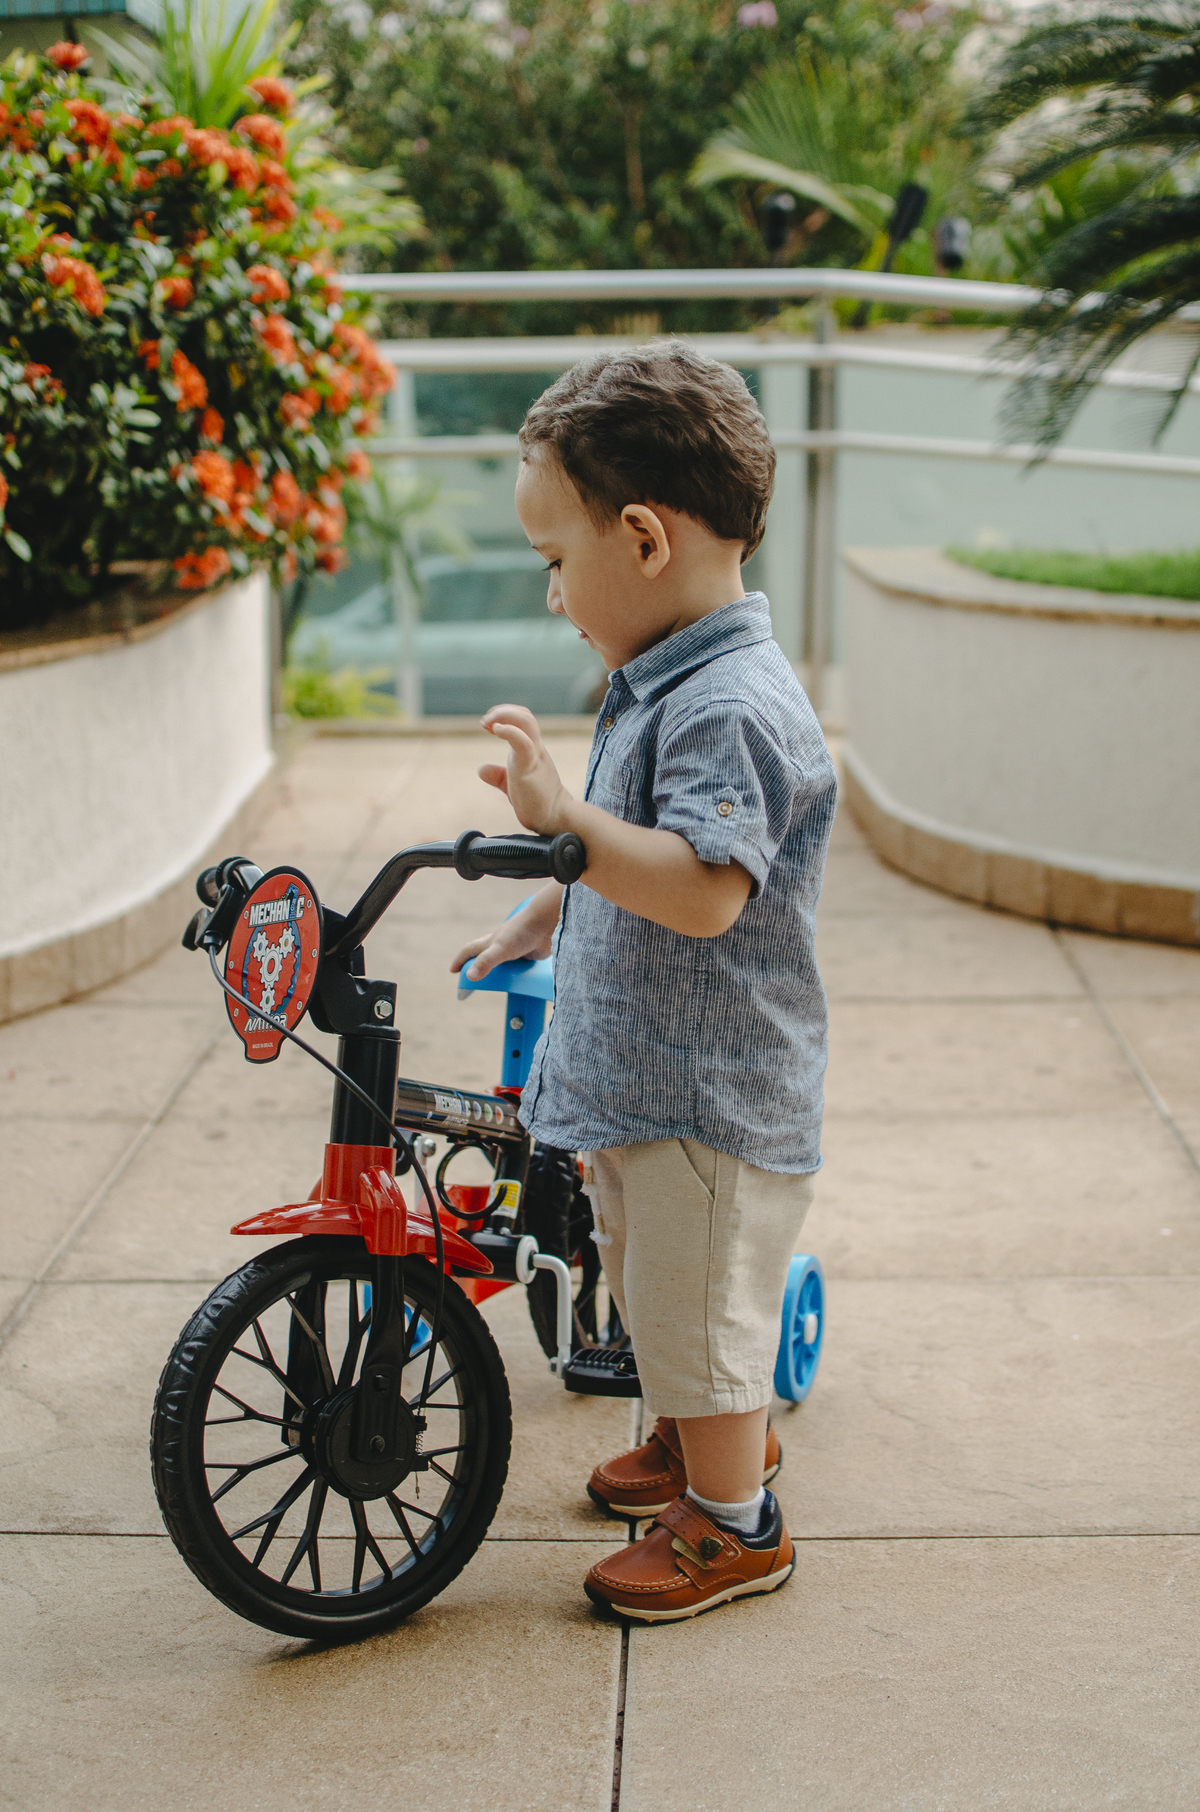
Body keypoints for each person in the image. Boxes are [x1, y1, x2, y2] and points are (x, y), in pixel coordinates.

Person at [451, 342, 836, 1622]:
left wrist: (565, 813)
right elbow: (626, 841)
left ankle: (736, 1523)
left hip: (707, 1100)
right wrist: (545, 897)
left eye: (558, 562)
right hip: (645, 1084)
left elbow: (702, 886)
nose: (553, 592)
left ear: (643, 540)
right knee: (655, 1289)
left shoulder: (731, 702)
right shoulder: (663, 676)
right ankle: (696, 1444)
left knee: (702, 1308)